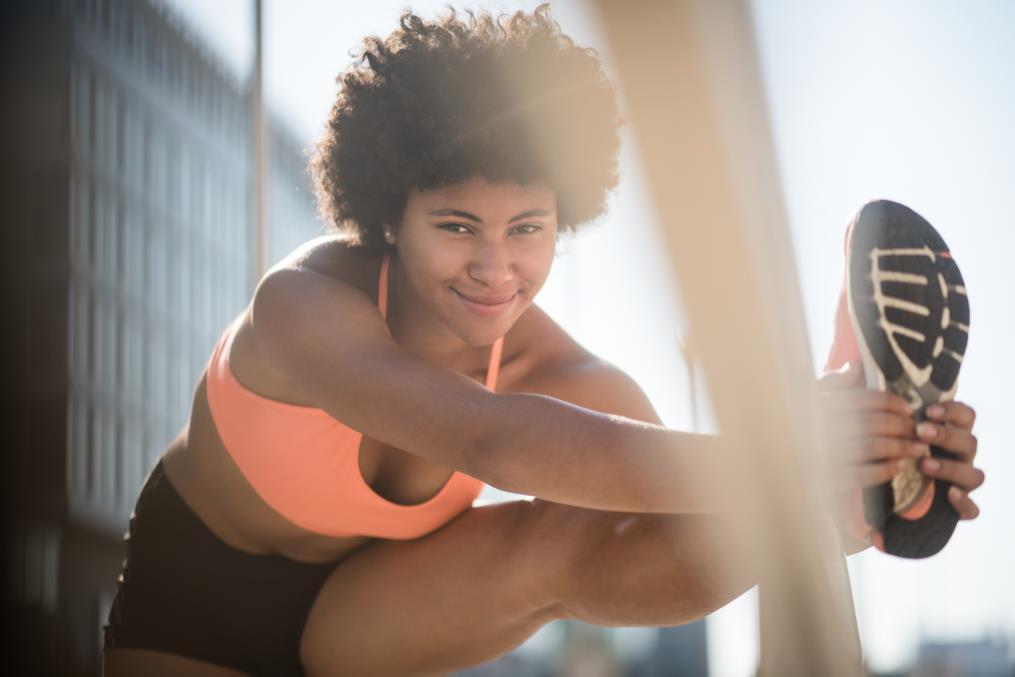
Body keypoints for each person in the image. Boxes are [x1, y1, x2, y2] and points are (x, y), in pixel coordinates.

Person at [102, 6, 984, 676]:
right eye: (456, 226)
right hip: (196, 588)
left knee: (594, 533)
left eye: (527, 228)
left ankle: (847, 499)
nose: (496, 268)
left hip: (369, 609)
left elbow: (672, 517)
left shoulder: (562, 369)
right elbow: (493, 437)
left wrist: (848, 471)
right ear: (388, 215)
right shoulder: (301, 308)